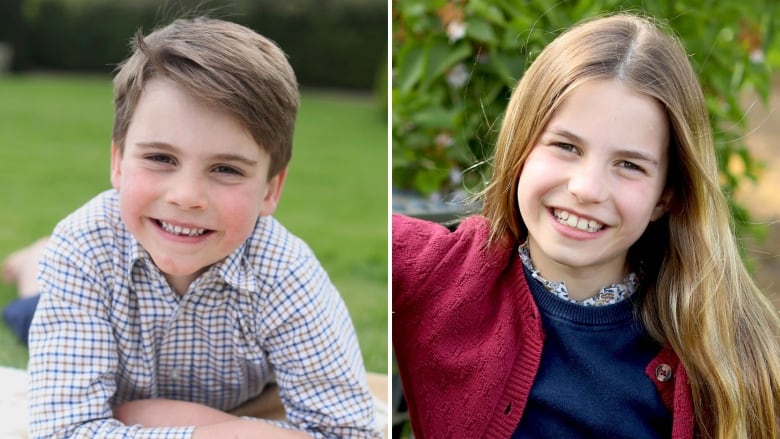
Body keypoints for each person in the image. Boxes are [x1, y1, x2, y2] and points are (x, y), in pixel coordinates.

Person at [392, 13, 780, 439]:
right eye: (566, 146)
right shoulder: (438, 276)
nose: (587, 188)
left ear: (666, 196)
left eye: (629, 165)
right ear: (522, 147)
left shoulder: (736, 353)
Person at [26, 17, 380, 438]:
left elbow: (350, 431)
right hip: (79, 312)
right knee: (29, 303)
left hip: (235, 402)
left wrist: (190, 420)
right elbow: (62, 429)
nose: (187, 196)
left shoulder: (285, 273)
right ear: (118, 162)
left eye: (226, 168)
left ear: (270, 190)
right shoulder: (84, 249)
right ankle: (30, 262)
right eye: (161, 158)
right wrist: (221, 435)